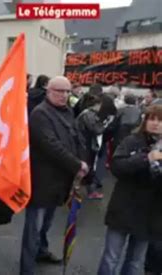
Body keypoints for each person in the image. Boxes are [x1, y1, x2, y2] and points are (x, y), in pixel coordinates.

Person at [20, 76, 88, 275]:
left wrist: (83, 162)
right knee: (33, 229)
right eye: (59, 91)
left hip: (60, 182)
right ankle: (27, 268)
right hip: (42, 182)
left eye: (67, 91)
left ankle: (41, 251)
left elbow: (76, 139)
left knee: (46, 225)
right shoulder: (40, 114)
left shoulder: (67, 112)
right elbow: (51, 146)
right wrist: (76, 164)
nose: (64, 95)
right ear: (48, 91)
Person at [98, 105, 162, 275]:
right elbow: (117, 167)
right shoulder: (132, 141)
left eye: (160, 120)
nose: (155, 123)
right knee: (111, 258)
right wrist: (145, 158)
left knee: (135, 262)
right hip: (124, 208)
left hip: (149, 214)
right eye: (151, 119)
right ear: (145, 120)